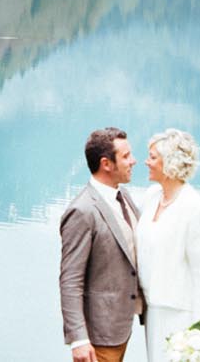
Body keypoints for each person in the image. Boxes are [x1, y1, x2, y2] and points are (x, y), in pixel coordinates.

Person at [60, 127, 142, 362]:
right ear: (106, 163)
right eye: (126, 156)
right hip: (97, 338)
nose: (133, 161)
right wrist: (79, 339)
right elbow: (70, 279)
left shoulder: (123, 196)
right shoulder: (82, 211)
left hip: (121, 328)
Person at [137, 129, 200, 361]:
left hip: (180, 313)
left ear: (169, 163)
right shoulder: (151, 197)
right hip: (152, 309)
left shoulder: (194, 208)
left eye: (152, 157)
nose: (146, 162)